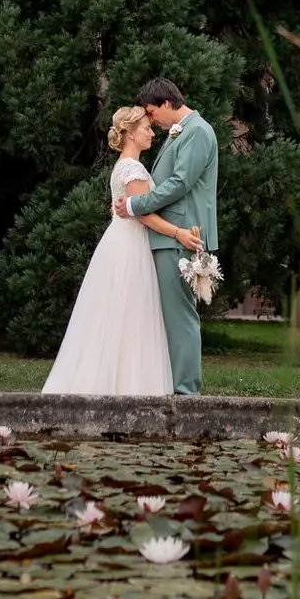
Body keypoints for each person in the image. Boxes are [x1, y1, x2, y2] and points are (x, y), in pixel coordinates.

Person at [41, 106, 203, 396]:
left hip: (117, 241)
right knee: (132, 315)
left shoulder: (122, 165)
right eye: (146, 129)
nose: (152, 133)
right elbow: (143, 215)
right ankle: (129, 386)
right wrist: (179, 233)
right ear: (130, 133)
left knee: (114, 314)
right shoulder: (133, 168)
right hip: (131, 247)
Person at [112, 77, 218, 395]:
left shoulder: (198, 131)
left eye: (152, 112)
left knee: (180, 316)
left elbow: (179, 183)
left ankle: (186, 392)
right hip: (171, 237)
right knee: (172, 316)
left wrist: (134, 204)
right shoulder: (182, 132)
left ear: (167, 104)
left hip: (181, 237)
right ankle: (175, 386)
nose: (152, 120)